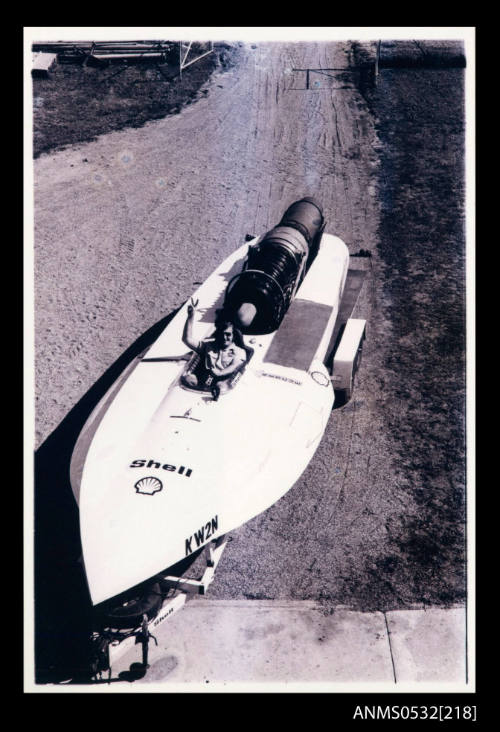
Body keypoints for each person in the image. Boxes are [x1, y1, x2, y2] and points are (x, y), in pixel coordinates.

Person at [182, 300, 247, 399]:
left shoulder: (240, 352)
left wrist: (219, 373)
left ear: (233, 336)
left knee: (221, 385)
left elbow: (234, 366)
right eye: (222, 334)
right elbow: (187, 339)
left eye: (228, 334)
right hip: (203, 381)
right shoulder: (208, 346)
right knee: (188, 379)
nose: (225, 338)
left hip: (222, 383)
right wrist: (190, 316)